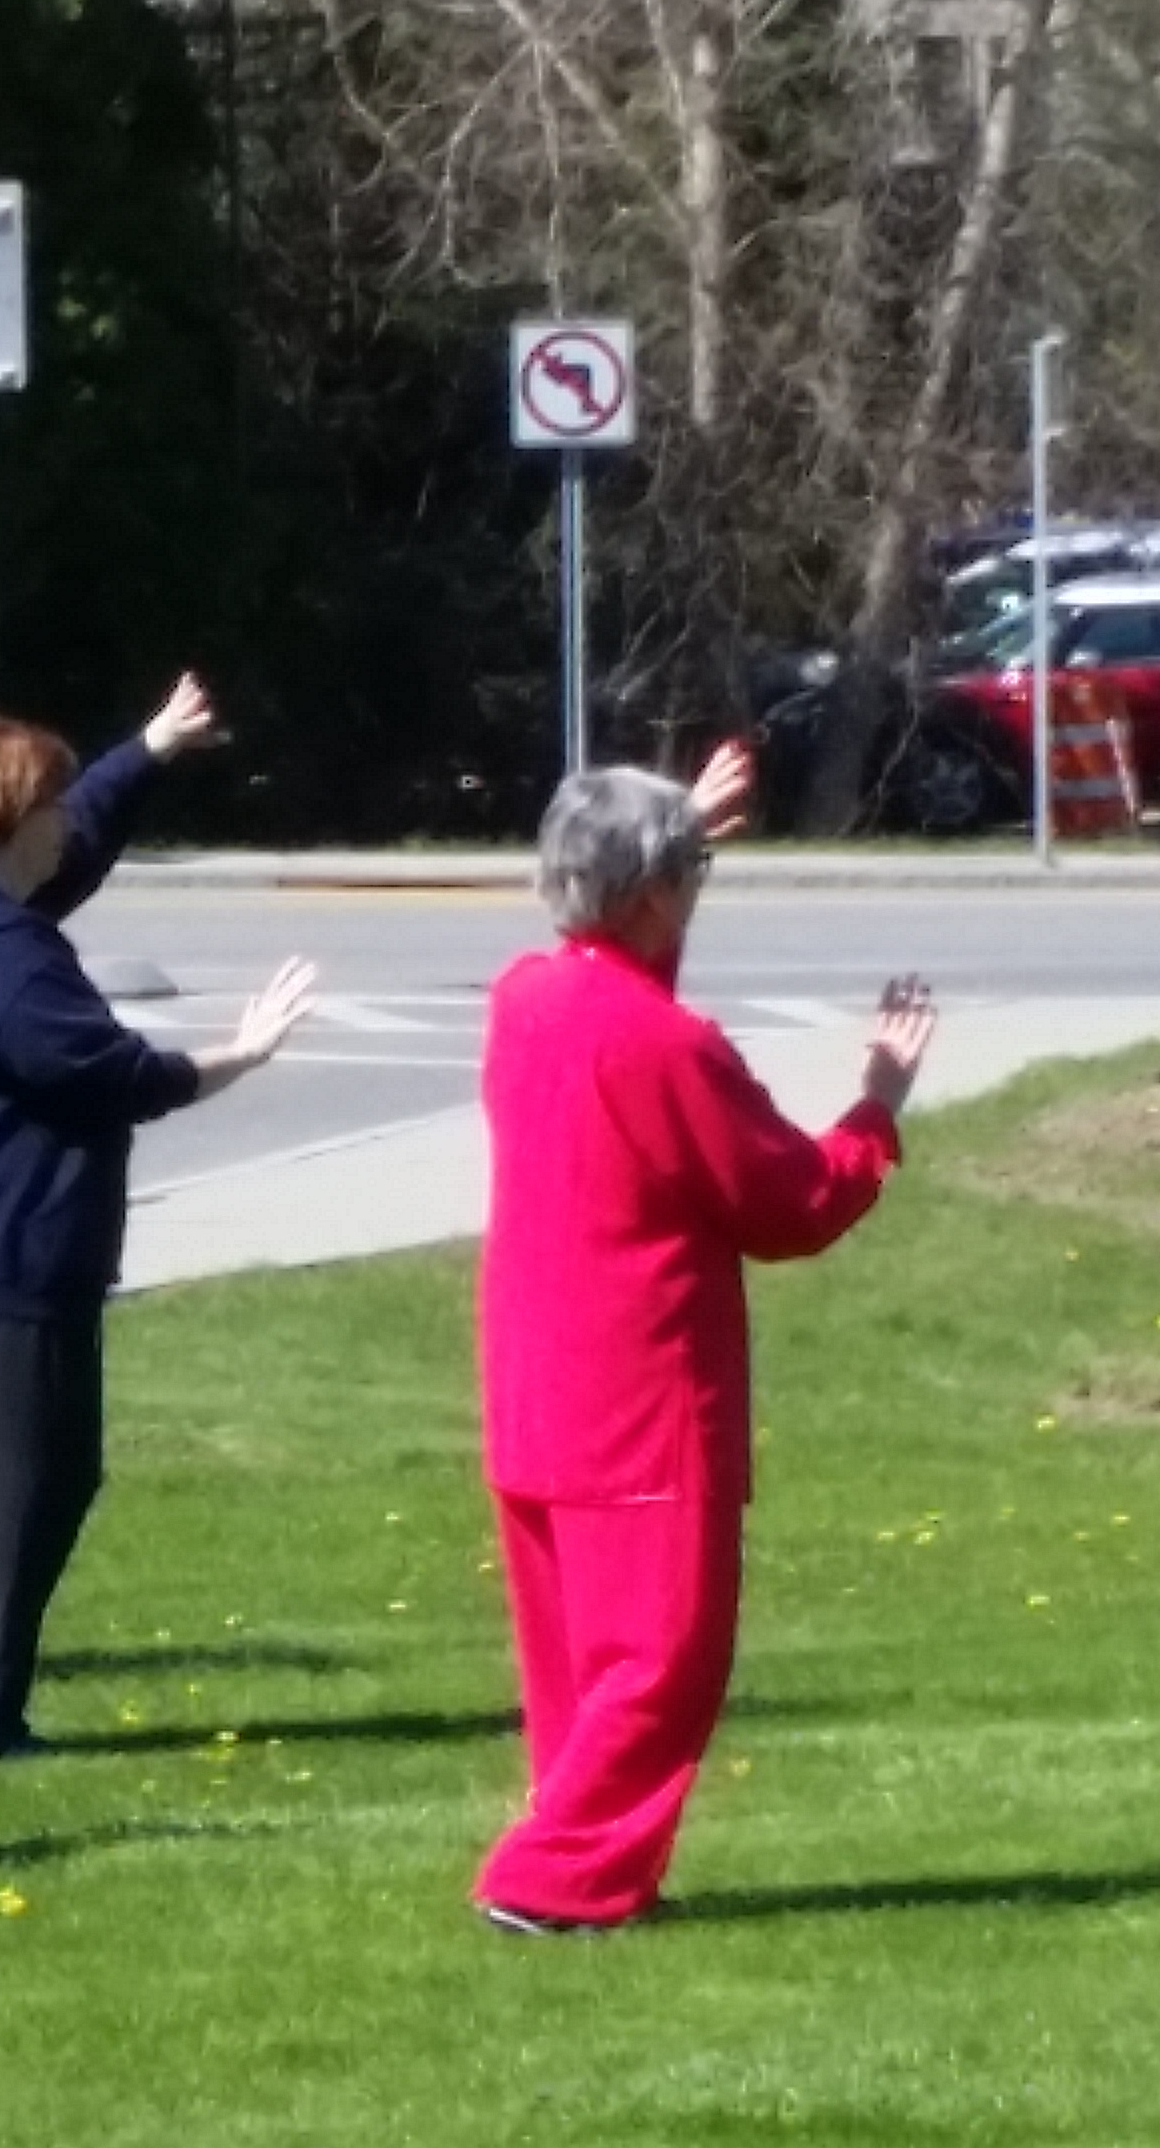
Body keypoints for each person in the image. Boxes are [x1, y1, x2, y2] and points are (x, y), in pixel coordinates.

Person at [472, 752, 934, 1934]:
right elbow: (789, 1205)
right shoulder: (663, 1047)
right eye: (685, 876)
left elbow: (619, 961)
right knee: (656, 1661)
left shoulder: (526, 997)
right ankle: (547, 1879)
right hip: (638, 1395)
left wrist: (675, 830)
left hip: (533, 1385)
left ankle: (580, 1870)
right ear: (648, 897)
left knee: (576, 1667)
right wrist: (874, 1106)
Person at [0, 686, 318, 1766]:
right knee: (7, 1492)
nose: (70, 819)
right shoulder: (6, 960)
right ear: (13, 818)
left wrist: (149, 751)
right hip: (1, 1244)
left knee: (47, 1477)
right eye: (57, 802)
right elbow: (116, 1074)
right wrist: (240, 1054)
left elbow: (69, 864)